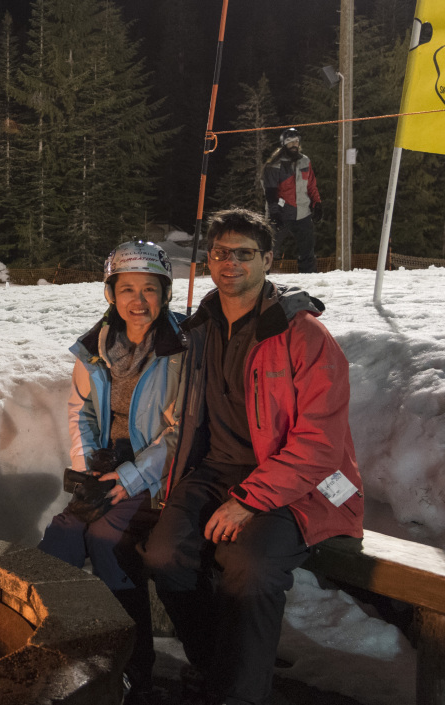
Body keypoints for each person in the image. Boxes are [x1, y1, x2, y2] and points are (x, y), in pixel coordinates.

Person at [141, 208, 363, 705]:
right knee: (163, 555)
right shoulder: (202, 327)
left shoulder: (303, 335)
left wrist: (250, 500)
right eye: (220, 253)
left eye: (244, 254)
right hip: (219, 468)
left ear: (268, 260)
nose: (230, 263)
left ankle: (238, 695)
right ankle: (219, 670)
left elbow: (320, 444)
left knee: (250, 566)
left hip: (295, 483)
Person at [38, 240, 184, 704]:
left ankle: (132, 669)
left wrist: (131, 478)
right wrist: (86, 470)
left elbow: (181, 432)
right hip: (105, 466)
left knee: (106, 540)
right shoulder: (96, 347)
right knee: (62, 537)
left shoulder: (180, 351)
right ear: (110, 294)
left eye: (149, 289)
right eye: (126, 290)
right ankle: (45, 645)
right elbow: (80, 411)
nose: (138, 301)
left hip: (153, 474)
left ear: (165, 293)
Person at [263, 128, 323, 273]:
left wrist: (317, 203)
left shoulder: (305, 161)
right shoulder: (274, 165)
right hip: (282, 213)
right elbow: (271, 193)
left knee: (307, 251)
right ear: (284, 144)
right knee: (268, 249)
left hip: (303, 213)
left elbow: (311, 185)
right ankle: (260, 279)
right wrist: (274, 213)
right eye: (290, 142)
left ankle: (308, 279)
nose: (294, 144)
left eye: (296, 141)